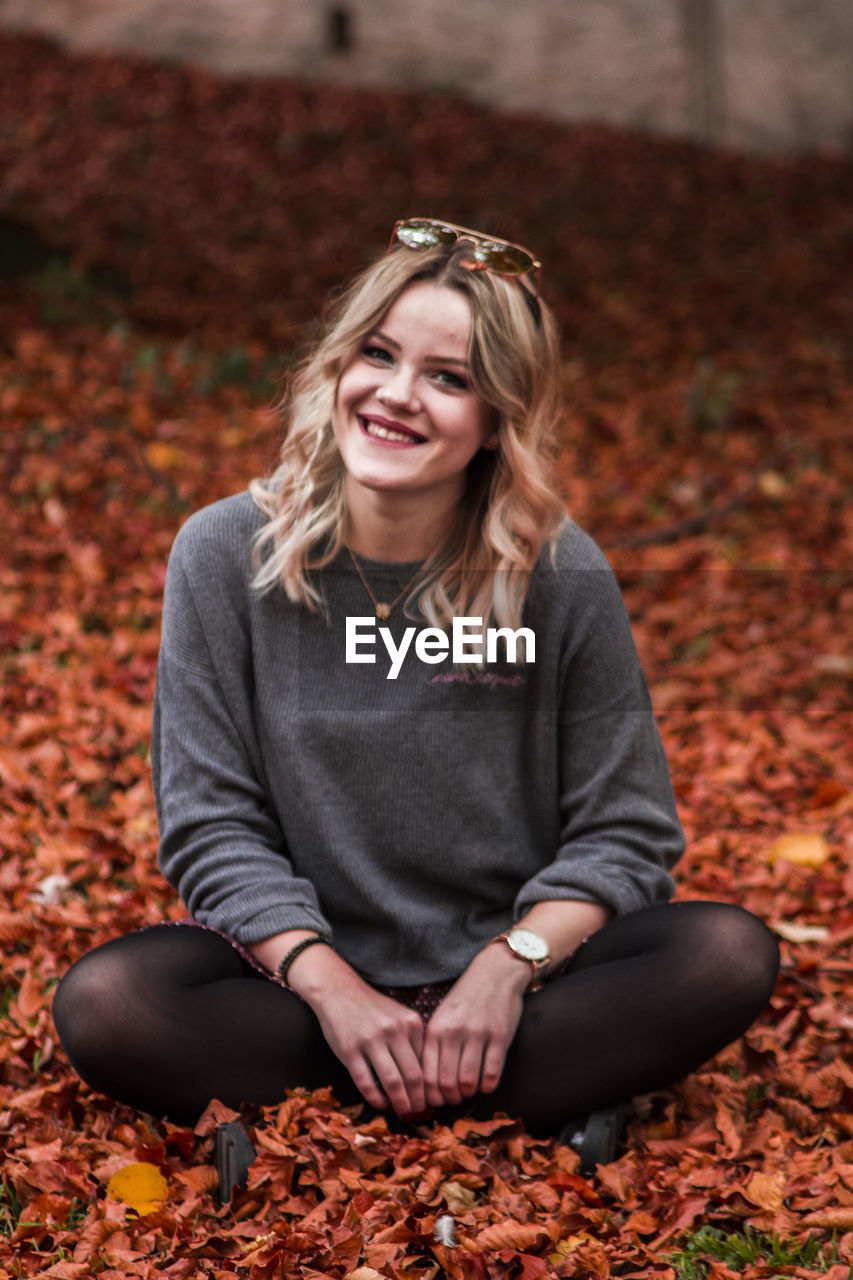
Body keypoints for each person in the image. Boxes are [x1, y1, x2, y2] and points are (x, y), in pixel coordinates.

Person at [53, 219, 779, 1164]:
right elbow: (210, 825)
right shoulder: (223, 555)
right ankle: (530, 1098)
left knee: (726, 954)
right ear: (337, 367)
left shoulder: (558, 577)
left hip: (526, 985)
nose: (397, 396)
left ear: (495, 420)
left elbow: (626, 831)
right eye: (379, 355)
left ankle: (349, 1106)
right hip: (297, 988)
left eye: (449, 377)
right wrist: (334, 990)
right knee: (110, 1003)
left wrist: (503, 971)